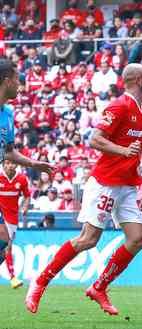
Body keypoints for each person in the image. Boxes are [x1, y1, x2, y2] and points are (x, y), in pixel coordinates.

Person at [25, 64, 142, 315]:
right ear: (137, 80)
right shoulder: (119, 106)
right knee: (88, 240)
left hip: (126, 186)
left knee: (137, 240)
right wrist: (123, 151)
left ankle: (99, 287)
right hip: (105, 183)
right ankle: (40, 282)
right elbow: (94, 139)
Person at [0, 59, 53, 286]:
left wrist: (34, 164)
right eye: (16, 80)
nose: (19, 86)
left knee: (3, 243)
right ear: (6, 81)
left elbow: (9, 152)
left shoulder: (9, 114)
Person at [0, 160, 30, 289]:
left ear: (16, 165)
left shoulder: (22, 179)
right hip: (1, 214)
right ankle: (13, 277)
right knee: (6, 245)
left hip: (12, 217)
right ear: (3, 165)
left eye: (12, 163)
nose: (9, 165)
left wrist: (24, 206)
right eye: (6, 163)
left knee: (6, 248)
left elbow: (27, 196)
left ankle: (12, 278)